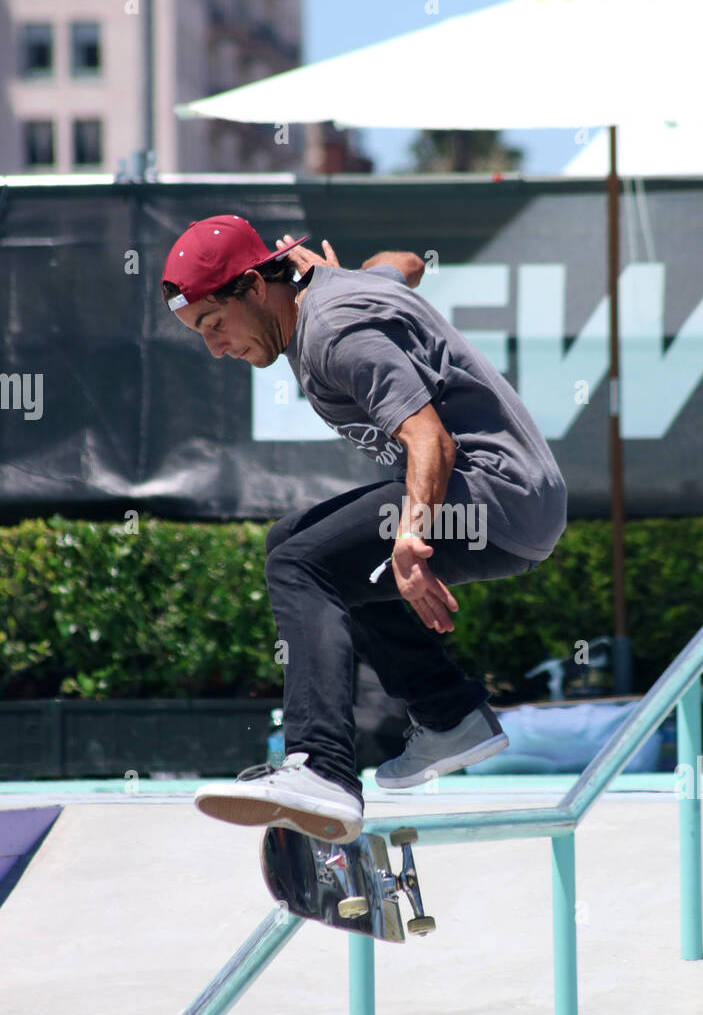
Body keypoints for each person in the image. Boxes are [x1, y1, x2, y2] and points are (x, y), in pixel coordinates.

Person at [161, 213, 567, 843]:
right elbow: (408, 261)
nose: (215, 348)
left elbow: (429, 438)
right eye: (199, 335)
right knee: (297, 544)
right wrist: (346, 273)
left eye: (215, 324)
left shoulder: (335, 332)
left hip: (498, 496)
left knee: (301, 565)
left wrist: (410, 538)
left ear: (255, 287)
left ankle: (321, 768)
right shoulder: (333, 294)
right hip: (520, 499)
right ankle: (448, 715)